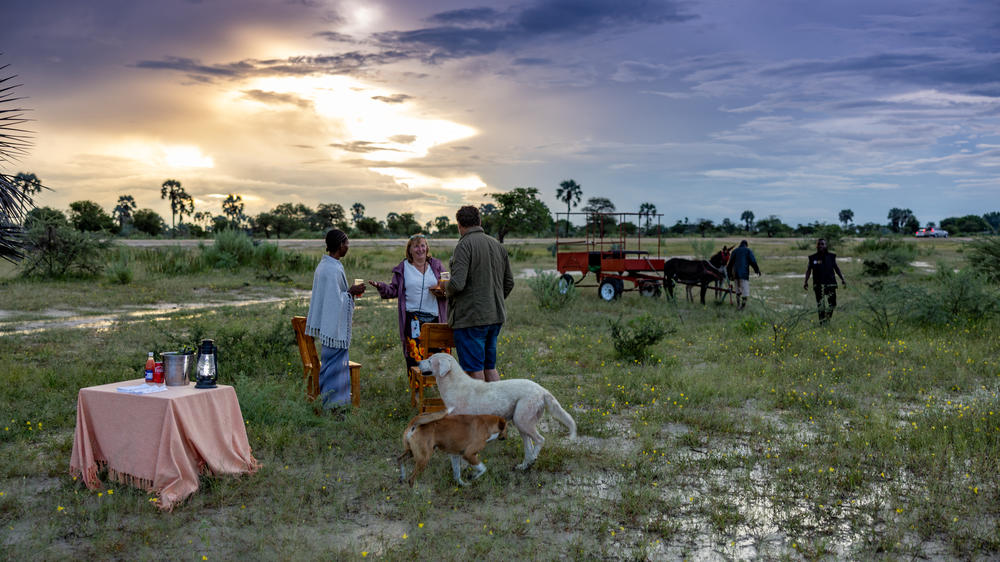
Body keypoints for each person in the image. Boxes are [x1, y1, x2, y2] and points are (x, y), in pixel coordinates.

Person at [444, 205, 514, 382]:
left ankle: (480, 410)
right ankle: (499, 408)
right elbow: (509, 283)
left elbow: (457, 284)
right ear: (479, 221)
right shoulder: (497, 245)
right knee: (489, 367)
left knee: (474, 371)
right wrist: (493, 300)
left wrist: (445, 287)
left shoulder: (464, 245)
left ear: (459, 225)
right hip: (495, 316)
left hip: (471, 319)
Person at [305, 229, 365, 409]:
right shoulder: (330, 269)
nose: (348, 247)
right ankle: (332, 404)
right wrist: (351, 292)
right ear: (340, 245)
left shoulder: (328, 264)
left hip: (329, 325)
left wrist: (348, 293)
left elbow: (334, 297)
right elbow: (334, 301)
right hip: (332, 327)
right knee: (333, 365)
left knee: (333, 364)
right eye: (346, 243)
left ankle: (335, 401)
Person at [369, 234, 448, 368]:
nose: (420, 249)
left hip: (435, 318)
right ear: (410, 250)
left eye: (422, 245)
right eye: (416, 246)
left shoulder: (436, 265)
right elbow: (394, 290)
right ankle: (417, 389)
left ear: (427, 248)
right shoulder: (403, 267)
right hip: (413, 319)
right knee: (415, 357)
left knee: (439, 357)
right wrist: (380, 286)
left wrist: (442, 291)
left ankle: (437, 387)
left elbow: (447, 285)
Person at [804, 238, 846, 324]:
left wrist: (842, 279)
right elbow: (809, 270)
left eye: (822, 244)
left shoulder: (831, 256)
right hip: (818, 285)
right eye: (819, 244)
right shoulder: (813, 258)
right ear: (817, 246)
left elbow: (836, 268)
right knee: (821, 305)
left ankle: (827, 319)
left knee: (833, 304)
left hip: (830, 284)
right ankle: (822, 323)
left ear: (826, 246)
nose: (820, 246)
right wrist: (805, 281)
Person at [726, 239, 761, 310]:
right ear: (746, 245)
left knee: (737, 290)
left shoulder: (735, 251)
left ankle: (738, 304)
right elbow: (753, 261)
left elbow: (730, 264)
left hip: (735, 274)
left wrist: (729, 274)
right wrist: (757, 270)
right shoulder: (748, 251)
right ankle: (742, 306)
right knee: (745, 291)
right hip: (744, 274)